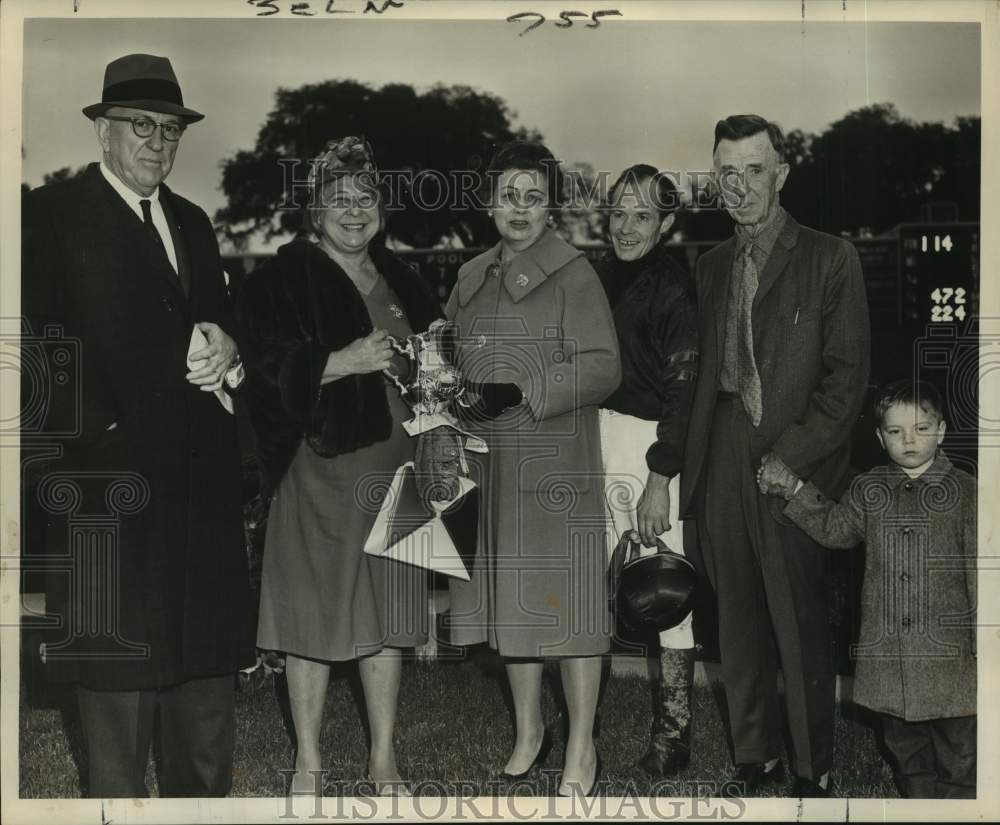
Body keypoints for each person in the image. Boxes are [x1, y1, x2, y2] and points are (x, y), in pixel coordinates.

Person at [21, 53, 254, 798]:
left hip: (198, 497)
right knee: (116, 712)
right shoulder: (53, 219)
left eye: (170, 129)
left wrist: (231, 346)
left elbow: (215, 317)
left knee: (204, 698)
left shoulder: (193, 221)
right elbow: (34, 350)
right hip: (109, 492)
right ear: (104, 133)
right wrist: (105, 434)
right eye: (140, 125)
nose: (157, 141)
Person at [235, 136, 441, 796]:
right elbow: (260, 367)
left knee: (387, 615)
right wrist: (343, 361)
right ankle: (309, 761)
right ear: (314, 210)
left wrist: (438, 404)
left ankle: (383, 759)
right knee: (310, 616)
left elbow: (437, 361)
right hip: (321, 467)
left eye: (366, 198)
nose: (354, 211)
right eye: (337, 200)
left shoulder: (404, 278)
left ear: (382, 208)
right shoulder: (282, 277)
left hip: (397, 464)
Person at [678, 114, 870, 797]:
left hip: (793, 455)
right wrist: (692, 475)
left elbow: (846, 381)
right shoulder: (711, 265)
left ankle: (811, 768)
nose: (740, 186)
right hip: (724, 447)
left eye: (754, 170)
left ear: (780, 174)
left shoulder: (830, 256)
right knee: (737, 616)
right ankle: (753, 757)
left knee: (797, 618)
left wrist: (793, 457)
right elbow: (704, 380)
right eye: (726, 173)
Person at [444, 140, 621, 797]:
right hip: (489, 465)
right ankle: (528, 730)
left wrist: (526, 389)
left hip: (555, 461)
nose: (517, 209)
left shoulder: (575, 272)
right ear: (489, 201)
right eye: (506, 195)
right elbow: (453, 360)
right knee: (507, 602)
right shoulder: (469, 276)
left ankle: (581, 745)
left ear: (551, 206)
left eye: (532, 196)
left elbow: (605, 364)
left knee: (569, 606)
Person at [770, 380, 976, 799]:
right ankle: (918, 800)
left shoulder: (966, 492)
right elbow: (835, 528)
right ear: (880, 437)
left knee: (961, 747)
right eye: (896, 432)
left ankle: (958, 802)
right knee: (902, 740)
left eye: (921, 428)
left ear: (941, 431)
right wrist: (794, 490)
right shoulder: (869, 488)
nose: (910, 440)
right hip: (890, 653)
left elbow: (980, 570)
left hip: (950, 655)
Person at [595, 165, 699, 777]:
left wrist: (660, 476)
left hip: (648, 446)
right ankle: (585, 722)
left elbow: (684, 390)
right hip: (595, 439)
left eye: (642, 216)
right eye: (619, 213)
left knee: (665, 587)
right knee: (595, 584)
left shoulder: (674, 288)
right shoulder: (600, 277)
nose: (628, 227)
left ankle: (675, 733)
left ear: (665, 225)